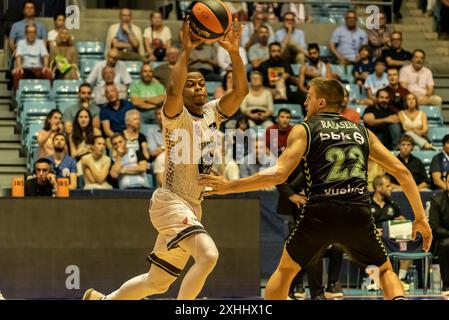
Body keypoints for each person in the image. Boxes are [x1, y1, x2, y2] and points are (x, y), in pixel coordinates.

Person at [199, 77, 432, 300]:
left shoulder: (305, 129)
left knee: (285, 271)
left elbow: (280, 173)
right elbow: (403, 173)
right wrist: (420, 218)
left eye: (308, 97)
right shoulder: (363, 132)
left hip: (320, 213)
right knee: (384, 271)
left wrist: (230, 186)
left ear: (321, 102)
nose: (304, 102)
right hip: (357, 212)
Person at [83, 18, 248, 300]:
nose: (198, 88)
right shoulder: (174, 115)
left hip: (192, 206)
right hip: (170, 201)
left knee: (158, 282)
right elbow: (172, 90)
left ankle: (104, 300)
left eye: (201, 85)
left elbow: (241, 92)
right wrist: (185, 49)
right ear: (182, 92)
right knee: (208, 255)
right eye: (191, 85)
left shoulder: (212, 113)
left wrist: (234, 51)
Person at [12, 24, 52, 91]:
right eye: (29, 32)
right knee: (17, 74)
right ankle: (18, 96)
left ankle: (47, 96)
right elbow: (18, 56)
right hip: (25, 69)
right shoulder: (21, 43)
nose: (32, 34)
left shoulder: (40, 42)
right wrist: (19, 67)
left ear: (36, 33)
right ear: (25, 33)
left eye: (34, 32)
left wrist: (45, 67)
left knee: (48, 74)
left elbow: (45, 56)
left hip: (38, 68)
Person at [429, 171, 449, 296]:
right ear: (446, 183)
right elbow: (435, 227)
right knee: (447, 244)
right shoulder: (437, 200)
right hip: (442, 239)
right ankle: (447, 285)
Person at [146, 106, 165, 187]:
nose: (161, 116)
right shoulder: (151, 131)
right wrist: (167, 147)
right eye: (158, 114)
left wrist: (160, 147)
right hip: (158, 160)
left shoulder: (176, 129)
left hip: (175, 159)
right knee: (160, 159)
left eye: (163, 113)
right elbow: (152, 152)